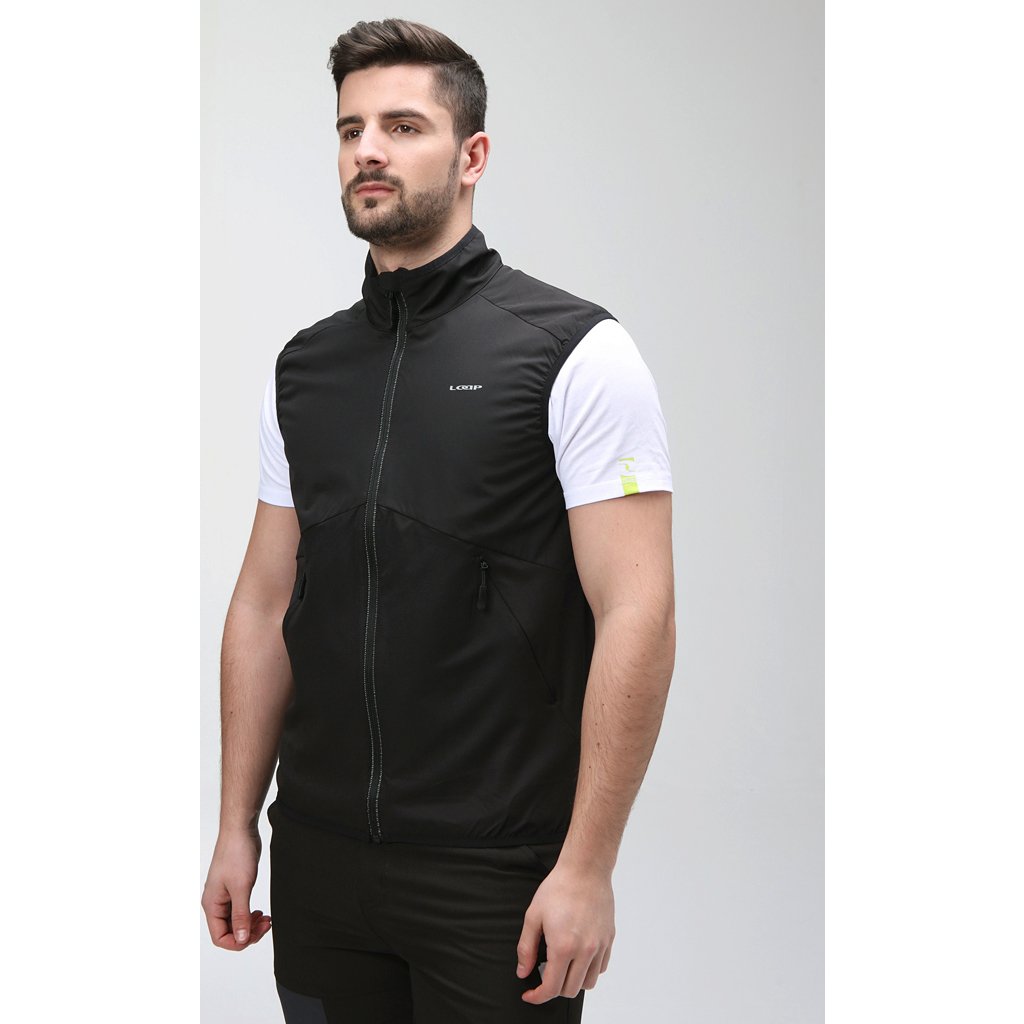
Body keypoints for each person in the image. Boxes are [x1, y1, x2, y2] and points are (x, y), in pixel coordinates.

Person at [202, 17, 676, 1023]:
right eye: (351, 129)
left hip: (494, 871)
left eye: (403, 126)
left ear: (472, 157)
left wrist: (587, 864)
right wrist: (237, 823)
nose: (367, 150)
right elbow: (264, 602)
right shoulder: (305, 369)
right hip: (321, 863)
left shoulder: (574, 351)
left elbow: (638, 610)